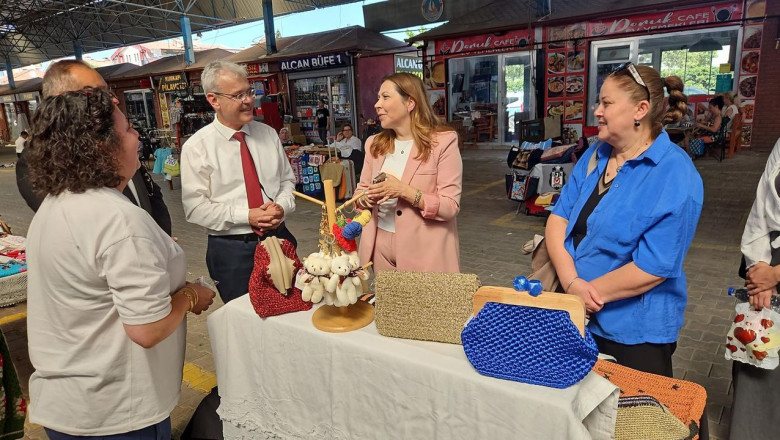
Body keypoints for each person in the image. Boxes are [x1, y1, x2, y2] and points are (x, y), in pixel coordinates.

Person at [25, 87, 215, 439]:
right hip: (117, 410)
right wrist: (190, 296)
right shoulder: (117, 219)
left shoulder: (58, 202)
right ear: (102, 147)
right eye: (127, 129)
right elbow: (147, 329)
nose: (137, 135)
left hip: (71, 402)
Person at [545, 63, 703, 377]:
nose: (597, 111)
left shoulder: (675, 173)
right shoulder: (596, 154)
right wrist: (571, 284)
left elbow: (653, 267)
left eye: (606, 103)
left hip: (633, 334)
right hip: (575, 312)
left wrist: (584, 294)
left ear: (640, 110)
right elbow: (559, 219)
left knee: (630, 408)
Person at [181, 61, 297, 304]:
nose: (248, 100)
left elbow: (287, 180)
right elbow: (195, 208)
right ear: (213, 100)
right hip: (233, 251)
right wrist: (247, 216)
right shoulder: (197, 147)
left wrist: (281, 206)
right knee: (243, 316)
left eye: (249, 92)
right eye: (238, 95)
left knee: (291, 308)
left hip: (280, 239)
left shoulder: (268, 134)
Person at [15, 60, 172, 236]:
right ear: (64, 101)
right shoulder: (36, 162)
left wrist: (160, 238)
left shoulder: (115, 143)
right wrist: (141, 240)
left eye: (108, 92)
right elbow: (80, 227)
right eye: (96, 93)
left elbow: (151, 193)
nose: (113, 100)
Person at [356, 72, 462, 273]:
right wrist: (366, 198)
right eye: (378, 98)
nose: (377, 104)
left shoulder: (443, 143)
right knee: (386, 296)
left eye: (385, 97)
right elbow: (360, 191)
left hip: (425, 250)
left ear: (410, 103)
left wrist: (403, 191)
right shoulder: (374, 144)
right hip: (380, 248)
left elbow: (450, 206)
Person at [731, 136, 780, 439]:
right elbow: (761, 208)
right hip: (767, 266)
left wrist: (776, 275)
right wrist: (758, 268)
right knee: (758, 364)